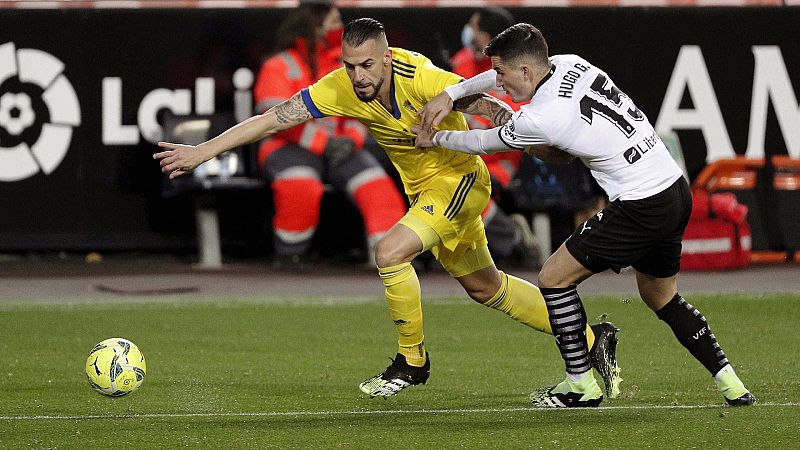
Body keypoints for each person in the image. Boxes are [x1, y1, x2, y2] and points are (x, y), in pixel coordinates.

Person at [154, 18, 620, 401]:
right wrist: (202, 151)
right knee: (486, 288)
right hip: (426, 193)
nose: (358, 76)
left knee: (390, 252)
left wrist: (539, 144)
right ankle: (591, 339)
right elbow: (273, 119)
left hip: (459, 181)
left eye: (367, 65)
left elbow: (486, 104)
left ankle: (412, 360)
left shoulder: (422, 78)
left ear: (388, 58)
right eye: (350, 65)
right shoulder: (341, 87)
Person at [415, 23, 755, 407]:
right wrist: (452, 92)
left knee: (553, 278)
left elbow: (481, 141)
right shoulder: (570, 63)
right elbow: (502, 91)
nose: (499, 82)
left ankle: (579, 383)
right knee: (661, 296)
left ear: (525, 70)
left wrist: (434, 138)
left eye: (502, 73)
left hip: (640, 204)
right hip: (673, 189)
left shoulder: (541, 117)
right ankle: (732, 383)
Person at [253, 1, 406, 268]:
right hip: (287, 147)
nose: (341, 28)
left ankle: (393, 259)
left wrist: (352, 140)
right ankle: (290, 256)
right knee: (300, 185)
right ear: (315, 27)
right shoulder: (278, 65)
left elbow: (364, 110)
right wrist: (324, 143)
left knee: (377, 187)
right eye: (334, 22)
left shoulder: (344, 64)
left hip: (341, 148)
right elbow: (276, 119)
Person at [452, 7, 540, 267]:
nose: (469, 32)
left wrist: (471, 120)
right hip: (461, 152)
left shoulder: (517, 72)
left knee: (459, 187)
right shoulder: (462, 61)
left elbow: (515, 125)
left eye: (473, 27)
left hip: (499, 161)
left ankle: (512, 237)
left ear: (485, 37)